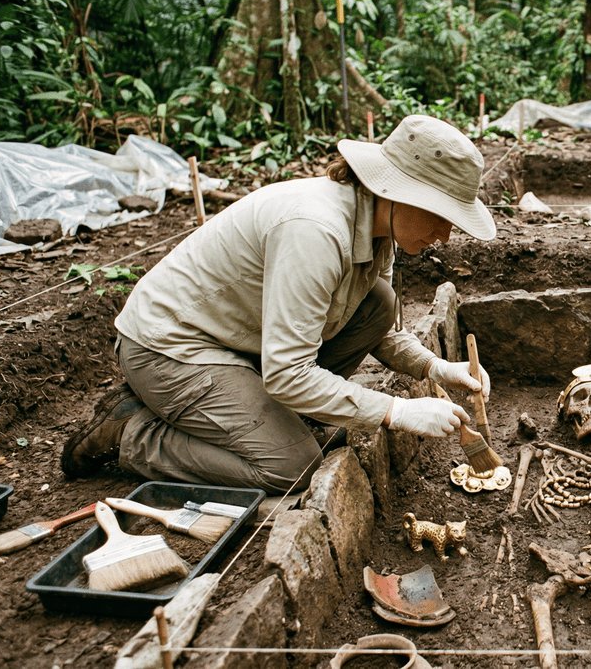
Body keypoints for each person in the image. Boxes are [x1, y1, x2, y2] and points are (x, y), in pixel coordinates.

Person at [61, 115, 496, 493]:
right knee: (294, 467)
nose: (445, 235)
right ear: (402, 193)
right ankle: (132, 433)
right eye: (441, 217)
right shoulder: (316, 231)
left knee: (378, 302)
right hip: (173, 349)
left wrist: (434, 367)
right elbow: (288, 373)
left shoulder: (380, 228)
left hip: (246, 344)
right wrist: (396, 411)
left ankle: (267, 420)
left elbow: (380, 329)